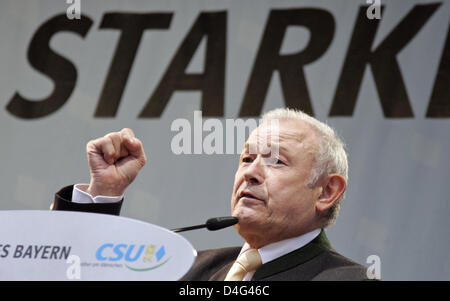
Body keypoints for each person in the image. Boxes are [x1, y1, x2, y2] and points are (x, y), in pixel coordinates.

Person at [52, 108, 369, 280]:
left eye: (275, 161)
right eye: (246, 158)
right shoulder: (186, 269)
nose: (250, 172)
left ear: (327, 191)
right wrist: (104, 192)